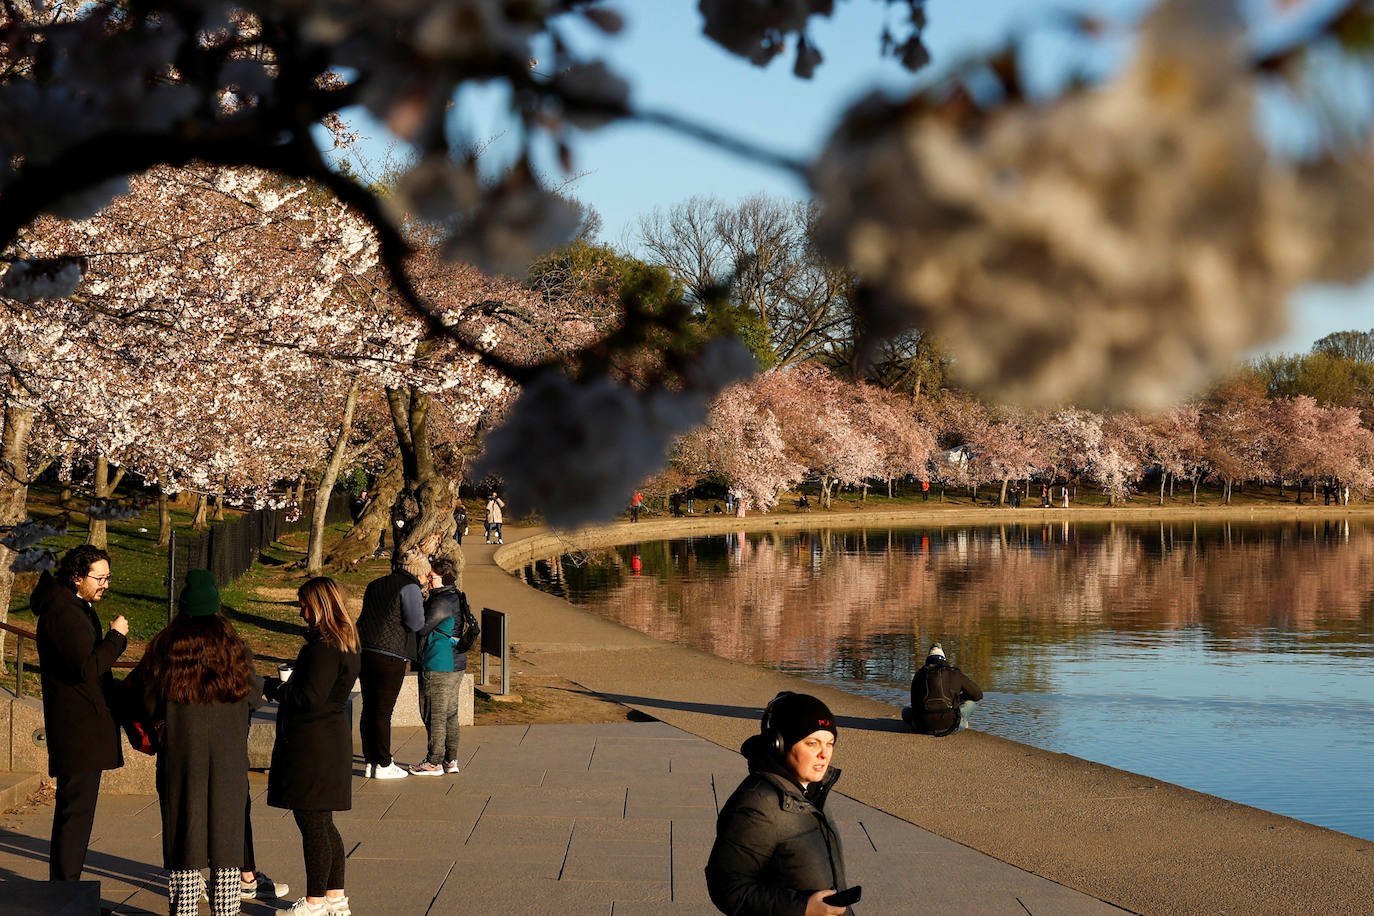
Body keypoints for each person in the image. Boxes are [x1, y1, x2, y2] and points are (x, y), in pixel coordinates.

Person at [130, 570, 257, 916]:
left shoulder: (166, 647)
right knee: (227, 843)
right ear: (217, 607)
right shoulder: (234, 647)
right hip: (229, 759)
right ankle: (225, 911)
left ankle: (184, 910)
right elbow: (254, 693)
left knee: (183, 836)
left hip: (181, 758)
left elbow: (146, 701)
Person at [263, 577, 362, 916]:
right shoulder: (345, 642)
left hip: (312, 745)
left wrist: (275, 688)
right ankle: (335, 897)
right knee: (324, 822)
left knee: (313, 824)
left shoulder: (321, 648)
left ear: (321, 605)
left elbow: (309, 697)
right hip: (329, 740)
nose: (301, 611)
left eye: (304, 604)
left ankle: (316, 902)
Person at [706, 692, 853, 916]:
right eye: (812, 743)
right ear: (780, 745)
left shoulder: (811, 792)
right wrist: (803, 908)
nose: (824, 754)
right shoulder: (758, 802)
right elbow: (727, 887)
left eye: (830, 743)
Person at [33, 544, 128, 882]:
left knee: (77, 814)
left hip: (81, 727)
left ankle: (67, 892)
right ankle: (65, 894)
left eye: (108, 577)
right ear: (76, 577)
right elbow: (87, 669)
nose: (105, 584)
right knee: (75, 815)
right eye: (99, 578)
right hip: (77, 730)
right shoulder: (64, 613)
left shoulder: (75, 607)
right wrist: (116, 638)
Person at [356, 550, 429, 778]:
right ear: (417, 571)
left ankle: (370, 760)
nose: (427, 578)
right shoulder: (410, 588)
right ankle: (384, 763)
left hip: (365, 649)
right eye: (426, 573)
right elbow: (416, 623)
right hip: (390, 653)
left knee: (369, 707)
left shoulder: (375, 583)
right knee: (383, 711)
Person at [409, 556, 468, 776]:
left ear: (443, 578)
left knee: (434, 713)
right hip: (456, 663)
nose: (428, 581)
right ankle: (450, 760)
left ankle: (433, 762)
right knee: (450, 714)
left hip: (438, 662)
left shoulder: (440, 601)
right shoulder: (455, 595)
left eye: (432, 577)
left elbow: (421, 627)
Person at [902, 644, 983, 736]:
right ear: (944, 659)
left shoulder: (919, 675)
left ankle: (926, 725)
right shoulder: (955, 673)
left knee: (905, 712)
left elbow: (914, 703)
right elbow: (978, 694)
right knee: (971, 703)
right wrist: (958, 699)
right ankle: (962, 722)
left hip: (922, 727)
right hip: (950, 727)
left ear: (928, 660)